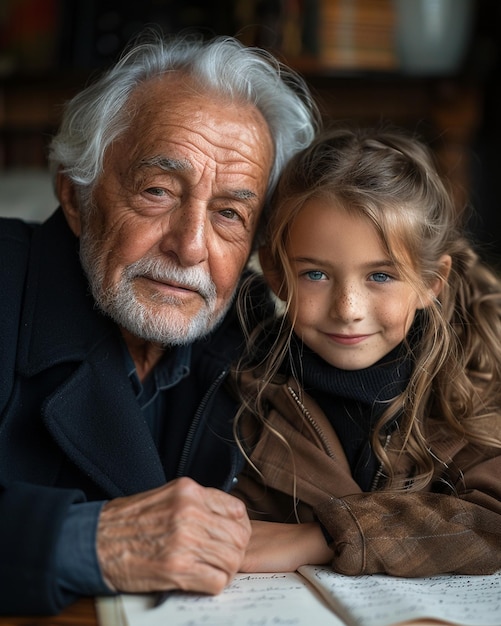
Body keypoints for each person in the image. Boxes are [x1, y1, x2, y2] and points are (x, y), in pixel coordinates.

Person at [0, 30, 320, 615]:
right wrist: (88, 541)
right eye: (157, 191)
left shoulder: (261, 335)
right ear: (76, 197)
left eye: (230, 212)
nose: (191, 247)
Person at [233, 126, 501, 578]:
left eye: (381, 276)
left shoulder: (467, 384)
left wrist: (322, 537)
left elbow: (491, 521)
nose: (348, 310)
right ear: (277, 274)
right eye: (316, 275)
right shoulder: (246, 390)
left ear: (430, 283)